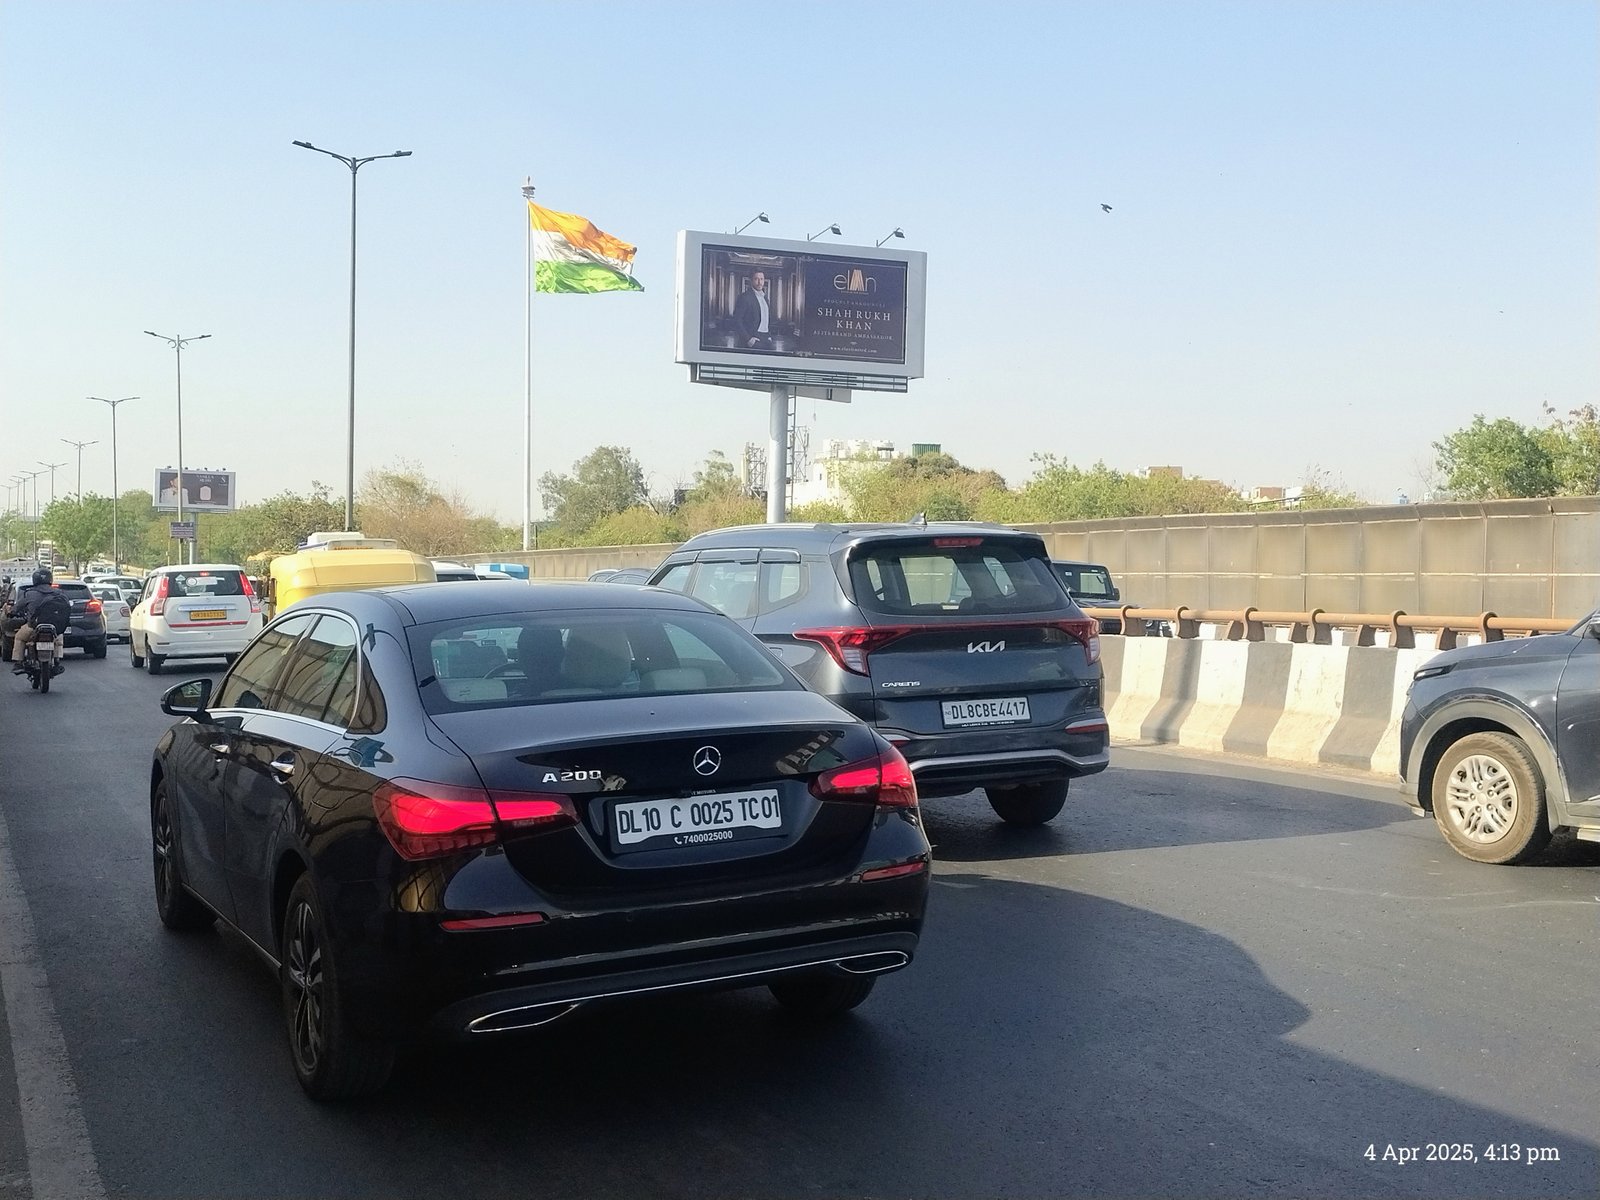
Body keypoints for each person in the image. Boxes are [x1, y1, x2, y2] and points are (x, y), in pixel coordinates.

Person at [11, 567, 68, 674]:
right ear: (50, 579)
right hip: (54, 628)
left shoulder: (29, 593)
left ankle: (18, 662)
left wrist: (11, 612)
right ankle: (57, 661)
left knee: (19, 638)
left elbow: (16, 608)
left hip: (33, 627)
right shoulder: (59, 593)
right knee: (59, 639)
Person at [733, 269, 773, 350]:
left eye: (761, 279)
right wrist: (748, 339)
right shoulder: (744, 297)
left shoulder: (765, 298)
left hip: (766, 339)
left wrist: (769, 336)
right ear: (751, 280)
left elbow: (766, 320)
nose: (759, 282)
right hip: (752, 339)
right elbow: (737, 320)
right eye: (756, 279)